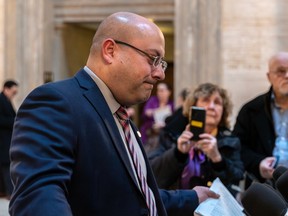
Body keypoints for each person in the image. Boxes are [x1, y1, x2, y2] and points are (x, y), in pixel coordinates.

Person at [9, 12, 218, 216]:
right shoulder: (56, 102)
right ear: (110, 51)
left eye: (161, 63)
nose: (160, 74)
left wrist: (192, 198)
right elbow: (39, 197)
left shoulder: (120, 116)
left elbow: (133, 196)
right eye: (153, 59)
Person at [148, 83, 244, 197]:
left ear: (223, 110)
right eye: (206, 100)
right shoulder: (171, 134)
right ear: (193, 106)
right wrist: (178, 153)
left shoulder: (231, 141)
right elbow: (153, 175)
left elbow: (237, 178)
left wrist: (217, 159)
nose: (211, 106)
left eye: (217, 102)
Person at [233, 52, 288, 189]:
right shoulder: (251, 110)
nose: (287, 76)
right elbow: (238, 147)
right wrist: (258, 163)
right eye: (281, 71)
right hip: (263, 189)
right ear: (269, 76)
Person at [0, 80, 18, 199]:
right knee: (6, 166)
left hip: (7, 139)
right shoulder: (1, 100)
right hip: (2, 140)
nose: (14, 95)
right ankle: (10, 192)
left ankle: (6, 191)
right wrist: (15, 122)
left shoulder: (6, 101)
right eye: (13, 92)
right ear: (6, 89)